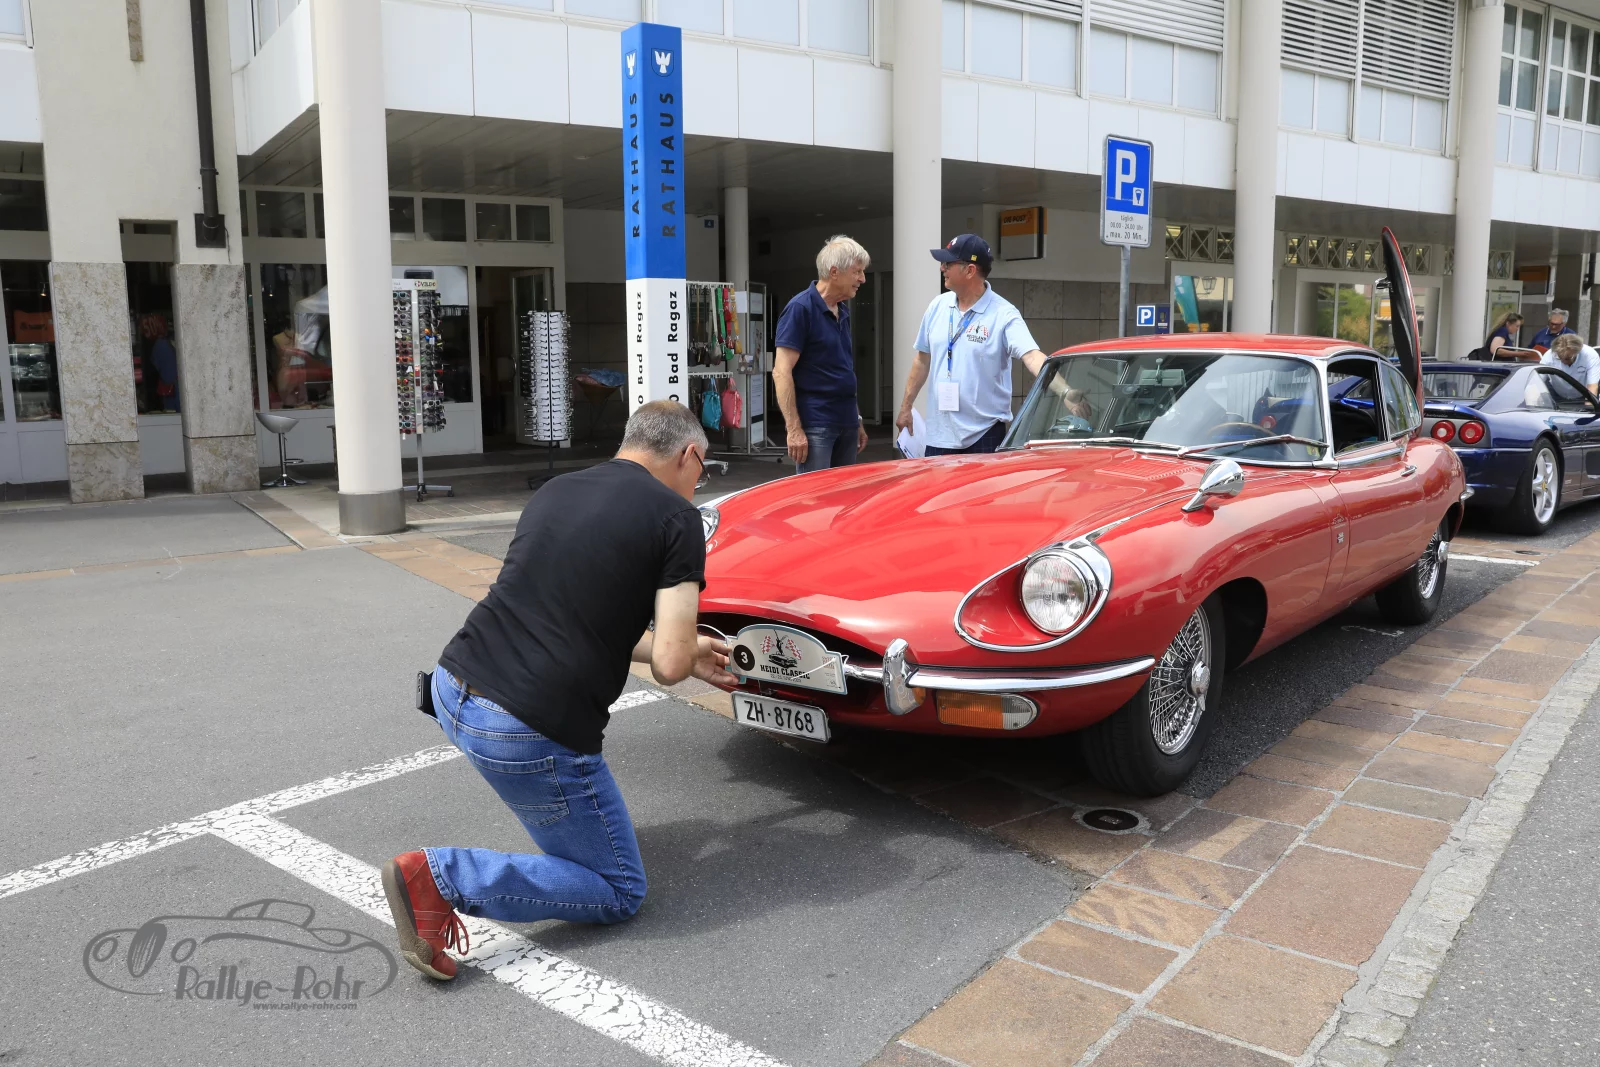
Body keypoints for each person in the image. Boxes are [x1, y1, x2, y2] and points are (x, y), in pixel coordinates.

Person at [382, 400, 735, 981]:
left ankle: (512, 853)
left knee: (584, 835)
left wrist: (679, 650)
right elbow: (670, 665)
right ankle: (441, 877)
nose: (699, 483)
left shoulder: (557, 490)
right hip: (523, 728)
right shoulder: (677, 519)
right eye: (704, 469)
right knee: (618, 888)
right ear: (689, 454)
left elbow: (575, 622)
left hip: (453, 687)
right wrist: (686, 649)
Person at [894, 234, 1052, 456]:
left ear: (969, 271)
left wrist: (1065, 390)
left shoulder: (1003, 313)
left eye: (948, 263)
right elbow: (922, 360)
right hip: (938, 436)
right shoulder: (937, 306)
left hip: (984, 435)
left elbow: (1032, 356)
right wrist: (905, 408)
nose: (942, 268)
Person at [773, 235, 872, 473]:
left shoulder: (843, 312)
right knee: (814, 494)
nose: (862, 279)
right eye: (857, 272)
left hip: (846, 422)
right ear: (834, 272)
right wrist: (794, 429)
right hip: (817, 424)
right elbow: (781, 371)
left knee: (843, 493)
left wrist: (856, 419)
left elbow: (843, 370)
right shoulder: (800, 308)